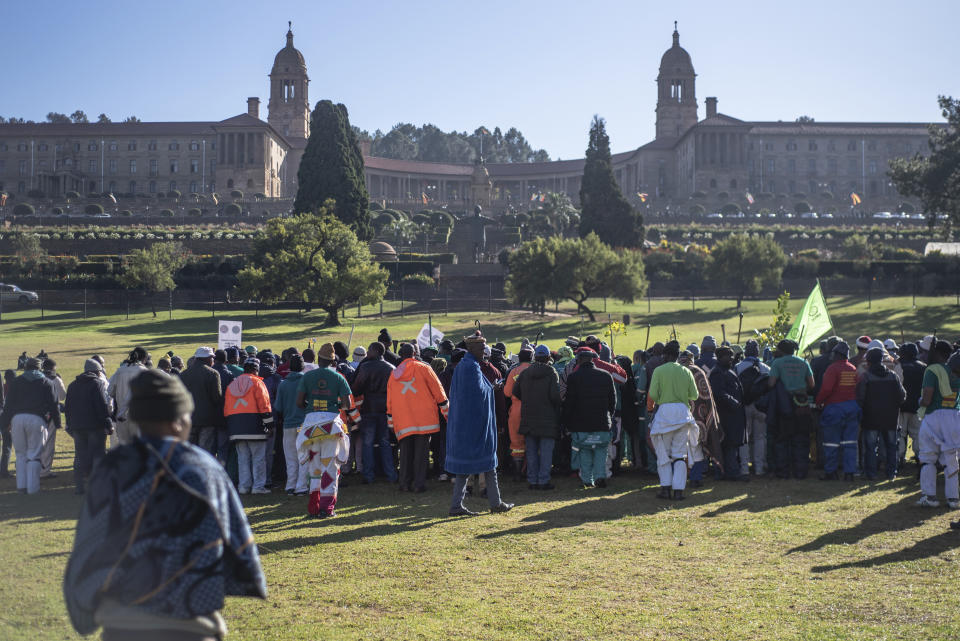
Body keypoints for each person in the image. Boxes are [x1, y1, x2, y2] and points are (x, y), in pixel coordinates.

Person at [63, 369, 266, 639]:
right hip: (192, 624)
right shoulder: (204, 468)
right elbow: (237, 543)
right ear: (180, 419)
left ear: (135, 419)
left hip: (124, 625)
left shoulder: (112, 469)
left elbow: (90, 543)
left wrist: (84, 613)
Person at [446, 332, 513, 516]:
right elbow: (477, 395)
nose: (485, 351)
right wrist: (492, 388)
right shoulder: (470, 367)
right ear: (473, 348)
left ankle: (459, 505)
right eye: (482, 348)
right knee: (487, 465)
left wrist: (490, 387)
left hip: (465, 425)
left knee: (466, 469)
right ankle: (494, 503)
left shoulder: (466, 365)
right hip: (473, 426)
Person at [386, 343, 449, 492]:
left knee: (405, 454)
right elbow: (438, 390)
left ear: (400, 355)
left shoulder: (394, 374)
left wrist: (391, 422)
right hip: (424, 419)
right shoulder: (424, 368)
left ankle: (404, 483)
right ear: (414, 353)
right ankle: (419, 484)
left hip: (403, 420)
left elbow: (389, 400)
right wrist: (446, 410)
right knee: (421, 455)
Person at [647, 343, 700, 500]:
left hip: (665, 414)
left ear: (666, 355)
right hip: (683, 414)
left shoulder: (659, 370)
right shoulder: (686, 371)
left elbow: (653, 395)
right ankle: (678, 491)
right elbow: (694, 395)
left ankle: (665, 488)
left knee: (663, 454)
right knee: (679, 454)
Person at [0, 358, 59, 494]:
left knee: (21, 455)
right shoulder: (46, 382)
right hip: (36, 419)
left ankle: (21, 487)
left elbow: (8, 405)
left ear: (26, 367)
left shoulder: (16, 382)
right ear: (39, 368)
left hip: (17, 419)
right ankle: (33, 488)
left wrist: (4, 423)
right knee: (34, 455)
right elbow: (53, 405)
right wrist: (57, 422)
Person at [563, 349, 617, 489]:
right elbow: (613, 400)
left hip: (581, 424)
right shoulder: (606, 376)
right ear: (592, 360)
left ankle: (587, 479)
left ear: (579, 361)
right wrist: (609, 416)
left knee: (584, 451)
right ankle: (600, 476)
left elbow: (569, 403)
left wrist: (567, 421)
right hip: (602, 422)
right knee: (601, 451)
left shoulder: (573, 378)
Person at [916, 341, 960, 508]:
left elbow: (927, 399)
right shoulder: (956, 370)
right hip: (955, 417)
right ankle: (953, 499)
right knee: (952, 459)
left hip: (934, 417)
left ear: (937, 353)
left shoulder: (932, 370)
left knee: (928, 459)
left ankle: (930, 497)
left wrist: (920, 401)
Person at [513, 344, 561, 490]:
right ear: (548, 358)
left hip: (528, 417)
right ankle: (543, 480)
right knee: (546, 452)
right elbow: (555, 396)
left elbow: (516, 391)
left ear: (535, 357)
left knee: (531, 451)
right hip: (547, 418)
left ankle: (533, 480)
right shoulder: (552, 372)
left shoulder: (525, 373)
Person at [224, 358, 274, 495]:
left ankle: (244, 486)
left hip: (236, 427)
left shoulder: (232, 384)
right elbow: (265, 406)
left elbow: (227, 408)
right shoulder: (258, 382)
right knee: (258, 458)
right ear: (255, 370)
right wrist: (269, 425)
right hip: (255, 425)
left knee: (242, 459)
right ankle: (258, 486)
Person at [767, 339, 815, 479]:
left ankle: (783, 472)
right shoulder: (804, 362)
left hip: (784, 405)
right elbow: (812, 384)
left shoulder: (777, 363)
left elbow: (771, 383)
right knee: (801, 439)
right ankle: (801, 471)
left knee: (782, 439)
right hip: (801, 405)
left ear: (781, 350)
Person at [351, 342, 398, 485]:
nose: (368, 353)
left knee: (368, 443)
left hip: (369, 408)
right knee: (385, 442)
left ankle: (369, 475)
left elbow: (356, 389)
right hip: (385, 409)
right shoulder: (391, 368)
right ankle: (391, 475)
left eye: (370, 350)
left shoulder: (365, 367)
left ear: (376, 351)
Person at [857, 347, 907, 481]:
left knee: (870, 447)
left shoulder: (865, 376)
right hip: (890, 418)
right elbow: (902, 396)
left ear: (868, 361)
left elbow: (860, 398)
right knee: (891, 446)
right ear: (882, 360)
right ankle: (891, 473)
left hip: (871, 418)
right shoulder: (893, 375)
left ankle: (871, 473)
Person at [64, 359, 113, 495]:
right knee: (98, 455)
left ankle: (79, 487)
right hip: (95, 426)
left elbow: (67, 408)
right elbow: (102, 406)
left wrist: (70, 424)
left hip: (78, 427)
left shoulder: (72, 385)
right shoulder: (97, 384)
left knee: (80, 456)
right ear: (97, 372)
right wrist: (108, 423)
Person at [815, 341, 861, 481]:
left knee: (831, 443)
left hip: (834, 409)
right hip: (852, 408)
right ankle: (849, 473)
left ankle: (831, 472)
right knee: (850, 443)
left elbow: (827, 389)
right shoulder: (853, 368)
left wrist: (818, 401)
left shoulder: (832, 369)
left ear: (836, 354)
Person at [296, 408, 351, 518]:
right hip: (331, 427)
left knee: (315, 472)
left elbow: (300, 403)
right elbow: (346, 403)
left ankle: (314, 508)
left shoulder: (306, 389)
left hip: (311, 428)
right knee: (329, 470)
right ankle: (326, 509)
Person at [710, 346, 749, 481]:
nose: (731, 358)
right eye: (728, 356)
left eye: (732, 355)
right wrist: (733, 402)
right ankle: (730, 472)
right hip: (726, 415)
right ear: (720, 357)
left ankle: (729, 471)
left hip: (734, 414)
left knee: (732, 445)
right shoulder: (717, 372)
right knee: (728, 444)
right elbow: (718, 393)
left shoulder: (728, 370)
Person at [178, 347, 224, 456]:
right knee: (204, 453)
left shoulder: (183, 375)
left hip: (188, 419)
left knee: (189, 453)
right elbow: (217, 398)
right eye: (212, 358)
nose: (213, 360)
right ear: (207, 358)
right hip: (207, 420)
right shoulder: (213, 374)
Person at [274, 354, 308, 495]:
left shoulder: (283, 384)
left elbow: (278, 407)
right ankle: (302, 486)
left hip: (288, 424)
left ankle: (290, 485)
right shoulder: (306, 382)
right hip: (304, 424)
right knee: (304, 456)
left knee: (290, 457)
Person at [736, 340, 771, 476]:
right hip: (761, 407)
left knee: (744, 439)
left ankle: (744, 468)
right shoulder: (766, 368)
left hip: (744, 406)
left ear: (745, 352)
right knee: (760, 438)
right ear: (757, 352)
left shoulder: (738, 367)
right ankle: (759, 468)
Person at [108, 347, 150, 445]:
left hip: (121, 415)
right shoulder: (144, 371)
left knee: (124, 446)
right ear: (144, 359)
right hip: (139, 415)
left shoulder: (120, 371)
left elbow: (109, 391)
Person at [503, 347, 533, 480]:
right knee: (533, 441)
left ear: (519, 359)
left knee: (516, 442)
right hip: (534, 409)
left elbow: (507, 393)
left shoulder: (514, 371)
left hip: (517, 409)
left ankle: (518, 473)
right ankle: (531, 471)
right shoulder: (536, 370)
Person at [897, 342, 926, 467]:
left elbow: (897, 386)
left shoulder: (900, 366)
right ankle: (921, 457)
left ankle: (899, 458)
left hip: (902, 406)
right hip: (918, 406)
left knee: (901, 433)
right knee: (917, 434)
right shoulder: (924, 367)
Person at [40, 358, 67, 478]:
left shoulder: (37, 377)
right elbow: (62, 396)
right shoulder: (56, 379)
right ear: (53, 367)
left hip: (37, 413)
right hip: (51, 414)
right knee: (49, 443)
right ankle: (45, 471)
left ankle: (35, 468)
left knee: (36, 442)